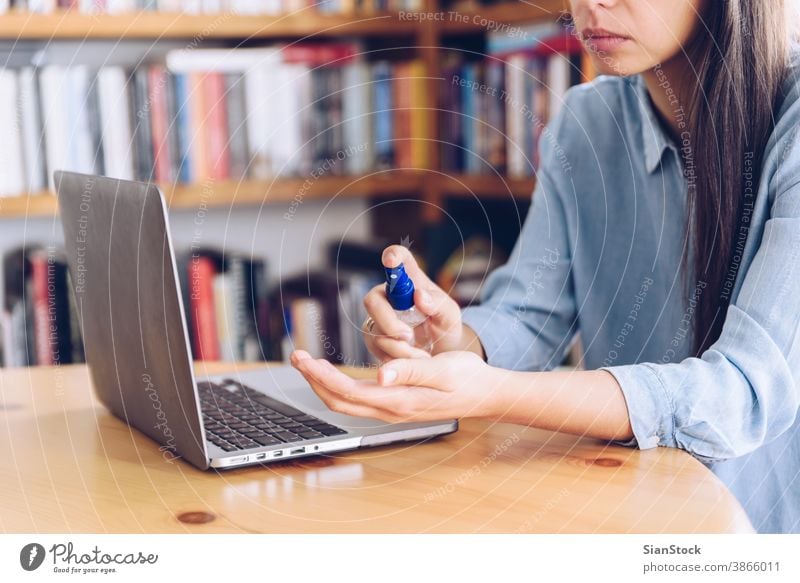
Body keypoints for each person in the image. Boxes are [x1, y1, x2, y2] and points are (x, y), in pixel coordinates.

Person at [290, 0, 800, 533]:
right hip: (626, 508)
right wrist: (447, 338)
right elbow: (531, 315)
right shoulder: (587, 121)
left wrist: (493, 392)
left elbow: (741, 393)